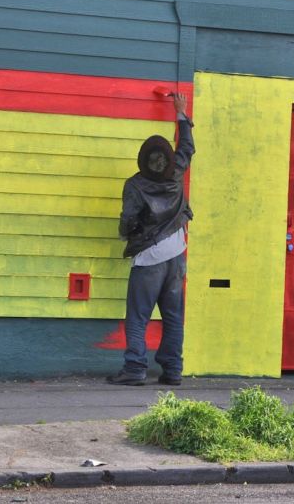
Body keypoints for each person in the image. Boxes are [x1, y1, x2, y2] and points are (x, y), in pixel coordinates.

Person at [107, 93, 194, 386]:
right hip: (177, 253)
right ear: (168, 158)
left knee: (138, 315)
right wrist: (181, 112)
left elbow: (128, 222)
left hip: (149, 258)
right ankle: (173, 370)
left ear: (143, 160)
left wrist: (127, 234)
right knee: (173, 316)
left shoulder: (135, 185)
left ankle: (134, 369)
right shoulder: (177, 170)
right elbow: (187, 146)